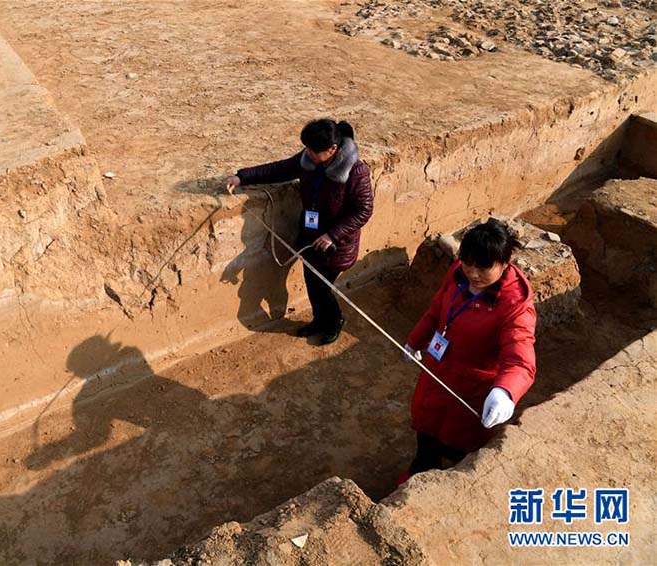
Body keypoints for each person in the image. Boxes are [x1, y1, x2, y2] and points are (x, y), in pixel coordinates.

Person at [401, 219, 536, 479]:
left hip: (470, 390)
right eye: (468, 262)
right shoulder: (457, 274)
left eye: (484, 266)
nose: (473, 273)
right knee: (426, 429)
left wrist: (506, 391)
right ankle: (420, 469)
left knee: (457, 442)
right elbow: (435, 312)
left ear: (505, 263)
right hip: (436, 373)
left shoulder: (515, 306)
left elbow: (519, 359)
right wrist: (415, 341)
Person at [225, 119, 374, 345]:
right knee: (313, 282)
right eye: (307, 149)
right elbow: (279, 169)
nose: (308, 154)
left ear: (333, 149)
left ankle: (334, 321)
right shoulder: (310, 159)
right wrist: (242, 177)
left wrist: (332, 235)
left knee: (322, 286)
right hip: (310, 238)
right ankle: (319, 321)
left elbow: (363, 210)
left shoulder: (356, 171)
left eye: (314, 151)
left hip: (336, 246)